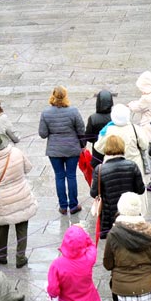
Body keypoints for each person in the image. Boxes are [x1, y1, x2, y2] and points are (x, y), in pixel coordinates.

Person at [0, 132, 37, 267]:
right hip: (22, 193)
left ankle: (1, 255)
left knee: (3, 227)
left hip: (2, 198)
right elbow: (28, 168)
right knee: (22, 226)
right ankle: (20, 257)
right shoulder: (16, 152)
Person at [104, 192, 151, 301]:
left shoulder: (113, 234)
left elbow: (108, 264)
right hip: (148, 290)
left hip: (123, 292)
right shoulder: (150, 233)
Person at [38, 85, 86, 215]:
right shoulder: (73, 111)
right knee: (71, 175)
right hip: (72, 148)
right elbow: (81, 130)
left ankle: (63, 206)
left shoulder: (46, 113)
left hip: (54, 150)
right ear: (65, 96)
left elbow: (43, 134)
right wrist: (83, 145)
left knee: (59, 176)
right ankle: (74, 205)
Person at [90, 135, 145, 238]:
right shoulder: (132, 165)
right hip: (130, 214)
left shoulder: (100, 169)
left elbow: (94, 193)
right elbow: (141, 190)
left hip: (109, 218)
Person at [46, 225, 102, 301]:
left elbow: (53, 291)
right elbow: (92, 245)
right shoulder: (89, 258)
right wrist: (84, 234)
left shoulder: (56, 265)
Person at [94, 104, 149, 185]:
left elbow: (98, 148)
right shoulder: (135, 129)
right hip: (134, 165)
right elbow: (144, 145)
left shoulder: (107, 130)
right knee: (136, 189)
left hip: (111, 167)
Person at [83, 89, 114, 169]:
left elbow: (88, 136)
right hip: (113, 150)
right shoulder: (114, 117)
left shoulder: (93, 118)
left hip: (98, 152)